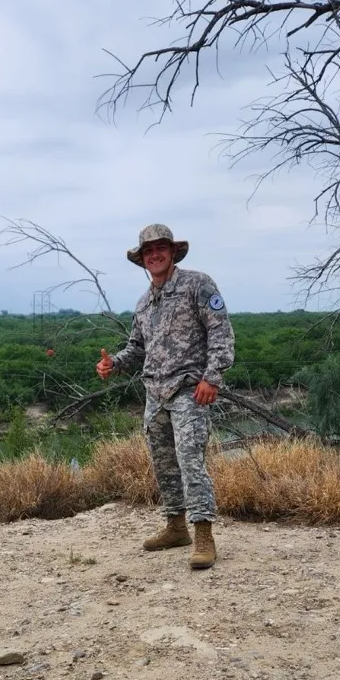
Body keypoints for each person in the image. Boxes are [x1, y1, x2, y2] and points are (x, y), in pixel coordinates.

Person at [96, 224, 235, 569]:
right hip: (155, 393)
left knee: (190, 460)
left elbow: (221, 331)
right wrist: (113, 363)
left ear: (173, 252)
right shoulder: (144, 303)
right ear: (142, 259)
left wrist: (212, 378)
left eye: (161, 248)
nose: (154, 255)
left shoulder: (197, 284)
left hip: (190, 389)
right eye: (148, 251)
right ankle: (175, 527)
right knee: (163, 463)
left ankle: (203, 534)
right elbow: (137, 348)